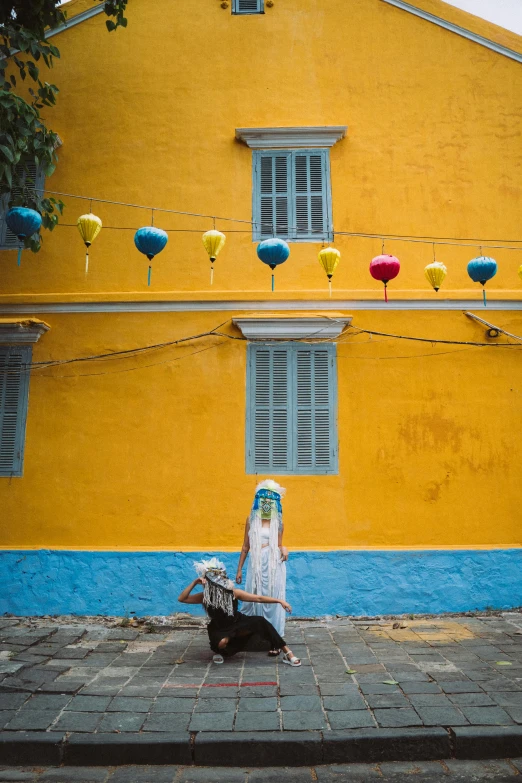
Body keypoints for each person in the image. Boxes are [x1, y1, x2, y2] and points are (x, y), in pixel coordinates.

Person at [178, 557, 301, 666]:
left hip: (238, 622)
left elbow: (258, 598)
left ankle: (288, 653)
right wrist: (195, 582)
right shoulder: (204, 596)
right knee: (221, 643)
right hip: (219, 628)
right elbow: (182, 598)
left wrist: (280, 601)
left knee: (260, 621)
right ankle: (219, 651)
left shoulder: (233, 593)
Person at [236, 480, 287, 653]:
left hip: (273, 565)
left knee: (272, 597)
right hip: (255, 564)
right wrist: (239, 570)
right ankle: (255, 636)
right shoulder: (251, 520)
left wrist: (285, 549)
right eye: (263, 501)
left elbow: (280, 545)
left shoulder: (278, 523)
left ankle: (275, 640)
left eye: (270, 502)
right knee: (254, 595)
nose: (266, 504)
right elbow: (245, 546)